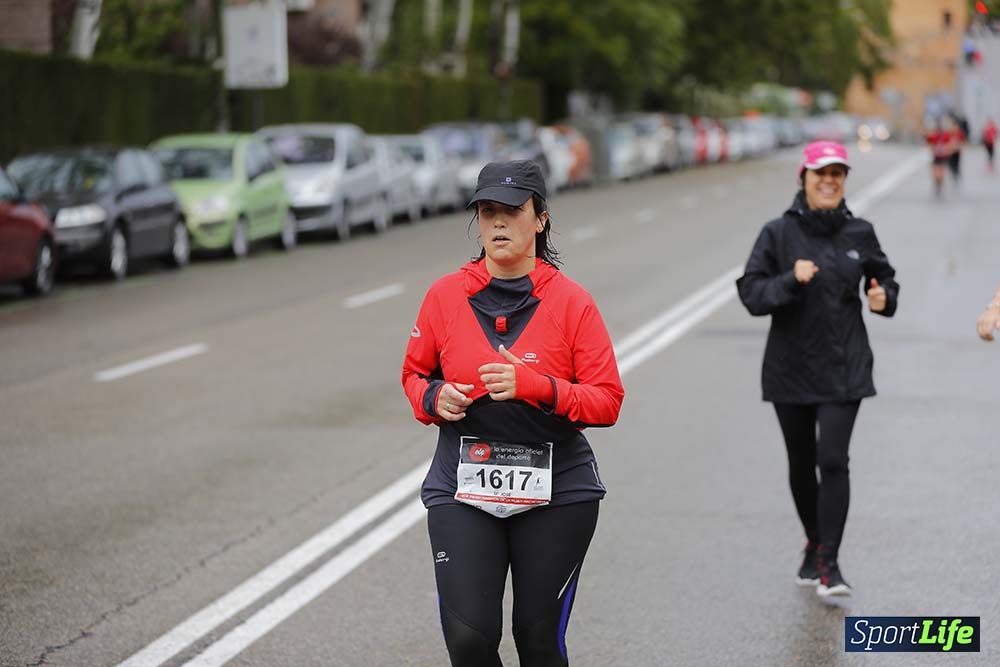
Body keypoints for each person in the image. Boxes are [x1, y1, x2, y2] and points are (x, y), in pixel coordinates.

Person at [402, 160, 624, 666]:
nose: (498, 222)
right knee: (469, 642)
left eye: (511, 210)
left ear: (540, 219)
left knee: (538, 643)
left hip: (557, 490)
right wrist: (435, 398)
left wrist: (535, 386)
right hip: (463, 485)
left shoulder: (572, 303)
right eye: (487, 211)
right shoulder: (444, 296)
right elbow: (414, 375)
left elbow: (607, 399)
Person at [736, 141, 900, 598]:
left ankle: (829, 562)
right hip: (789, 369)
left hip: (845, 366)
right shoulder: (777, 233)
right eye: (820, 173)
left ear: (844, 180)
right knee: (801, 463)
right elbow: (751, 294)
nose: (829, 181)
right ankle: (814, 541)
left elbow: (885, 280)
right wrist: (791, 279)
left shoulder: (860, 232)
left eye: (837, 174)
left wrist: (884, 297)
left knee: (832, 460)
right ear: (803, 178)